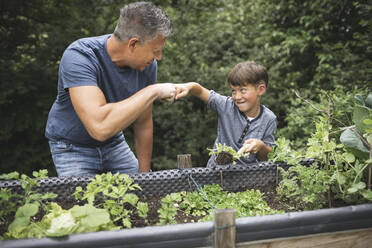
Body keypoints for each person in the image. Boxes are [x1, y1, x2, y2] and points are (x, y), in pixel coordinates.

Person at [45, 2, 177, 177]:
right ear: (133, 44)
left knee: (138, 197)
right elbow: (100, 127)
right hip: (72, 147)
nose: (158, 58)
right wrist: (152, 91)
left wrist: (145, 176)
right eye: (155, 51)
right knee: (83, 204)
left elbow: (143, 123)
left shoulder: (146, 65)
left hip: (114, 143)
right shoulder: (80, 56)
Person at [175, 61, 277, 167]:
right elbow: (200, 91)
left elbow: (268, 156)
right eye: (233, 91)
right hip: (216, 174)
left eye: (243, 90)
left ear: (260, 89)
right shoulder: (226, 106)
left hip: (247, 178)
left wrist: (261, 146)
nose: (237, 97)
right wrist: (189, 87)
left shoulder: (269, 119)